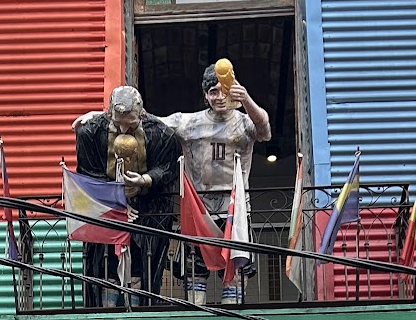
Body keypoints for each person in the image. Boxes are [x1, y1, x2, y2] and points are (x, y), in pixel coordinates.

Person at [160, 68, 271, 306]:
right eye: (213, 92)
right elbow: (148, 122)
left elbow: (265, 131)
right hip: (199, 211)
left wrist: (246, 99)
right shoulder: (189, 123)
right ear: (205, 95)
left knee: (236, 275)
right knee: (194, 274)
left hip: (235, 211)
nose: (220, 97)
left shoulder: (244, 122)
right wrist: (105, 115)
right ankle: (197, 319)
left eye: (224, 91)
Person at [72, 86, 183, 307]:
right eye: (118, 122)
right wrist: (117, 201)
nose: (123, 129)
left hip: (147, 211)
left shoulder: (161, 134)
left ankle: (137, 307)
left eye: (130, 124)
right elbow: (88, 173)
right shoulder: (91, 133)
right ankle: (107, 310)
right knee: (106, 266)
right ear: (109, 113)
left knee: (141, 265)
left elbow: (167, 168)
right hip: (105, 209)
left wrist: (145, 179)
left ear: (141, 113)